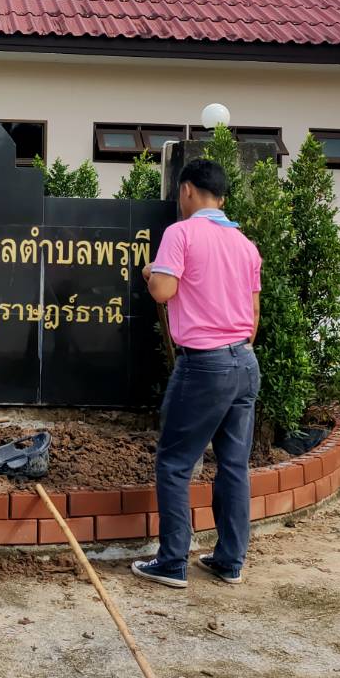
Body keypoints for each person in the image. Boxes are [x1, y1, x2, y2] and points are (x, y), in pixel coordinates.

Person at [132, 159, 262, 589]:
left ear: (187, 190)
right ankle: (229, 560)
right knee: (233, 466)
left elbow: (164, 291)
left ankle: (172, 562)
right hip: (244, 362)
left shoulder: (180, 233)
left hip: (204, 364)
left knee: (174, 464)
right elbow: (254, 314)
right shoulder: (245, 244)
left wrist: (151, 273)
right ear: (222, 197)